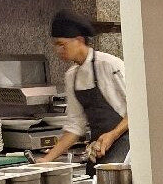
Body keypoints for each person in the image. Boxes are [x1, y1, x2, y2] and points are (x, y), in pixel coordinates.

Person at [39, 10, 128, 169]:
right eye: (56, 45)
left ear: (79, 40)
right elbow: (75, 126)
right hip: (99, 148)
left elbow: (137, 110)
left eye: (62, 44)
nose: (59, 51)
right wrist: (47, 160)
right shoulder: (71, 76)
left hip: (126, 145)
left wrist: (112, 135)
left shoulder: (109, 65)